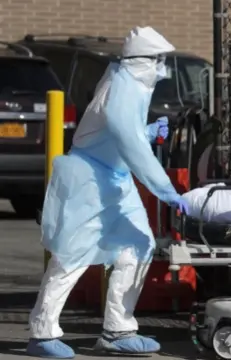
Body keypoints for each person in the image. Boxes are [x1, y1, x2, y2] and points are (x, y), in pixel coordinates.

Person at [26, 26, 189, 359]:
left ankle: (118, 329)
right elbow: (128, 140)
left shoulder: (131, 84)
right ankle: (42, 333)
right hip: (90, 180)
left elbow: (120, 133)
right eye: (157, 60)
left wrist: (147, 131)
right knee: (73, 255)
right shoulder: (121, 88)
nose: (161, 66)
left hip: (114, 178)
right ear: (140, 60)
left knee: (139, 244)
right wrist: (166, 189)